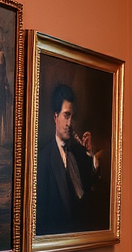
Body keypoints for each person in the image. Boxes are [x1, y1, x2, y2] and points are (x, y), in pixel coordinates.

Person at [35, 83, 103, 236]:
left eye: (72, 117)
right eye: (66, 116)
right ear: (55, 117)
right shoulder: (43, 159)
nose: (69, 124)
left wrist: (90, 154)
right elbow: (40, 218)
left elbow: (91, 192)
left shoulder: (80, 152)